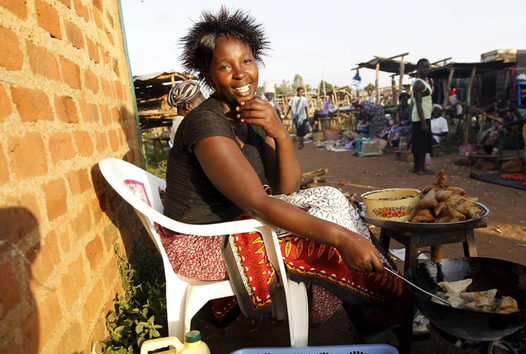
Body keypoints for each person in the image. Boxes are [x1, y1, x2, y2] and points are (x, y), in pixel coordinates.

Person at [163, 7, 403, 332]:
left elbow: (287, 190)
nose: (240, 74)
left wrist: (280, 133)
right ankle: (385, 302)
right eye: (225, 66)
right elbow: (258, 203)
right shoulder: (205, 124)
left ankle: (381, 298)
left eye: (246, 61)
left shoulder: (252, 114)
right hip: (203, 243)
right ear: (207, 75)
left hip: (239, 227)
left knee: (329, 198)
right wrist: (344, 239)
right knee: (326, 235)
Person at [410, 58, 433, 174]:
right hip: (421, 117)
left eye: (427, 67)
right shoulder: (419, 84)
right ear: (418, 69)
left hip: (421, 116)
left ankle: (416, 168)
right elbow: (418, 104)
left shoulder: (423, 83)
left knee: (417, 143)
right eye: (424, 67)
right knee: (422, 144)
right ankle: (421, 169)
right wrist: (423, 122)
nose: (426, 69)